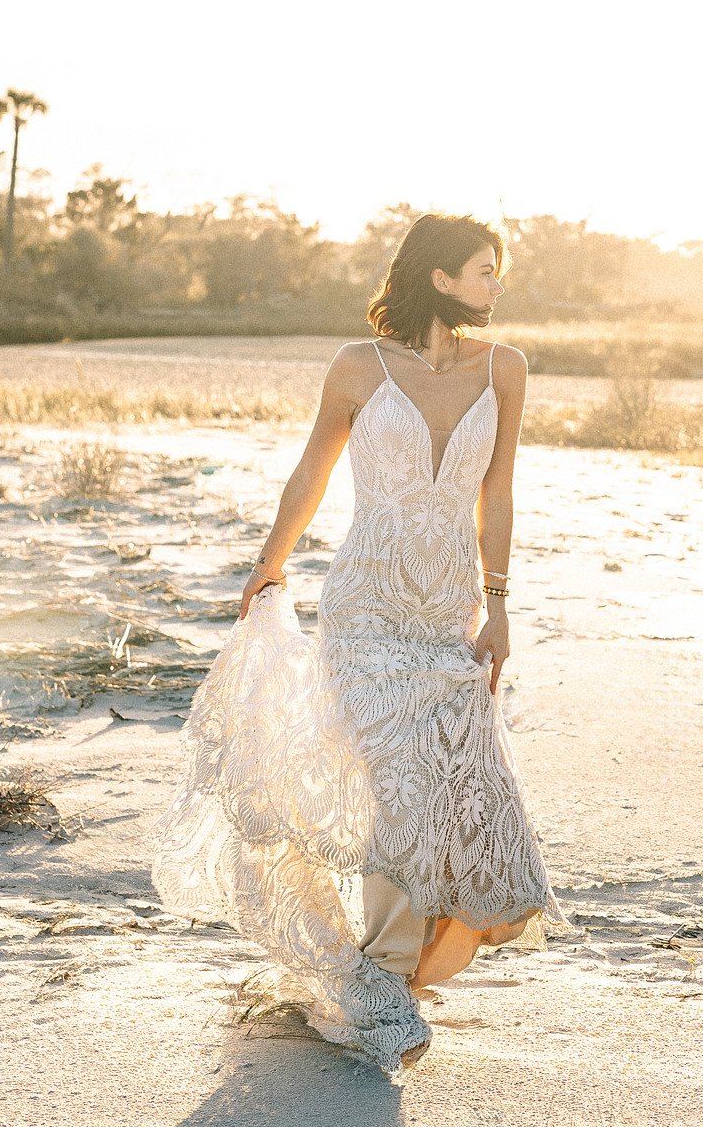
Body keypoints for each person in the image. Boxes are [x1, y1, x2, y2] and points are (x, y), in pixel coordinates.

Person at [149, 212, 575, 1076]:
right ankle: (378, 973)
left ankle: (394, 967)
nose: (497, 286)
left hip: (446, 609)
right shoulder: (356, 366)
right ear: (440, 277)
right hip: (364, 607)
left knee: (448, 783)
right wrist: (268, 565)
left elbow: (498, 492)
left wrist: (498, 605)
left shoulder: (507, 368)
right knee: (391, 784)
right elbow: (312, 470)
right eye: (484, 270)